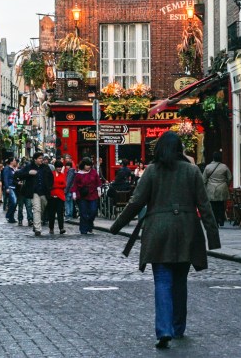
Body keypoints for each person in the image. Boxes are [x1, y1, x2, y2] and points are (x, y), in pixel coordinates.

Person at [110, 131, 221, 349]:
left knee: (162, 281)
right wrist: (213, 236)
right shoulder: (191, 171)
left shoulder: (152, 171)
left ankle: (164, 330)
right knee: (180, 281)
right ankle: (178, 327)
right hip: (187, 231)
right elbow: (204, 205)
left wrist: (116, 226)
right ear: (180, 148)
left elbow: (135, 202)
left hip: (158, 232)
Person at [15, 152, 53, 235]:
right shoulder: (29, 167)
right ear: (35, 159)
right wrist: (28, 173)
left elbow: (51, 178)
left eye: (42, 158)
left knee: (42, 208)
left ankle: (36, 223)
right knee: (37, 208)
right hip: (34, 192)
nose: (41, 160)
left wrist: (49, 187)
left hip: (44, 192)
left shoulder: (45, 167)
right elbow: (18, 174)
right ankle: (37, 229)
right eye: (39, 158)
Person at [70, 157, 104, 235]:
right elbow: (75, 185)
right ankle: (83, 229)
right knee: (83, 213)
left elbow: (98, 182)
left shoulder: (94, 172)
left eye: (89, 165)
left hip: (93, 194)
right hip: (82, 195)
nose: (88, 167)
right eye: (87, 165)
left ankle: (89, 224)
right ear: (83, 165)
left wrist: (99, 190)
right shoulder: (79, 174)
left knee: (93, 211)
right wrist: (74, 193)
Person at [202, 152, 232, 228]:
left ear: (213, 158)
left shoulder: (208, 167)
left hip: (211, 188)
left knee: (213, 205)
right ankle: (221, 220)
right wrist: (226, 184)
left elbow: (204, 179)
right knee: (221, 205)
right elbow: (230, 177)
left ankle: (215, 220)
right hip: (222, 187)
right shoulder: (224, 167)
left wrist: (206, 187)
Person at [48, 162, 67, 235]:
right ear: (55, 167)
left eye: (60, 167)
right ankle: (51, 228)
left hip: (60, 196)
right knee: (51, 213)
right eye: (58, 167)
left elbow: (64, 185)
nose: (59, 168)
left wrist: (55, 186)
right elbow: (50, 184)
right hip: (52, 196)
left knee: (60, 213)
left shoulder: (62, 175)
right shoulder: (51, 174)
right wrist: (59, 185)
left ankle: (61, 228)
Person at [2, 157, 18, 223]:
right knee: (14, 202)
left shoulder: (13, 169)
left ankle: (11, 217)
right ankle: (8, 215)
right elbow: (5, 178)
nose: (15, 161)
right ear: (11, 162)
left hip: (14, 187)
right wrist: (7, 187)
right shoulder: (7, 169)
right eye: (14, 160)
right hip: (10, 187)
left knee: (13, 203)